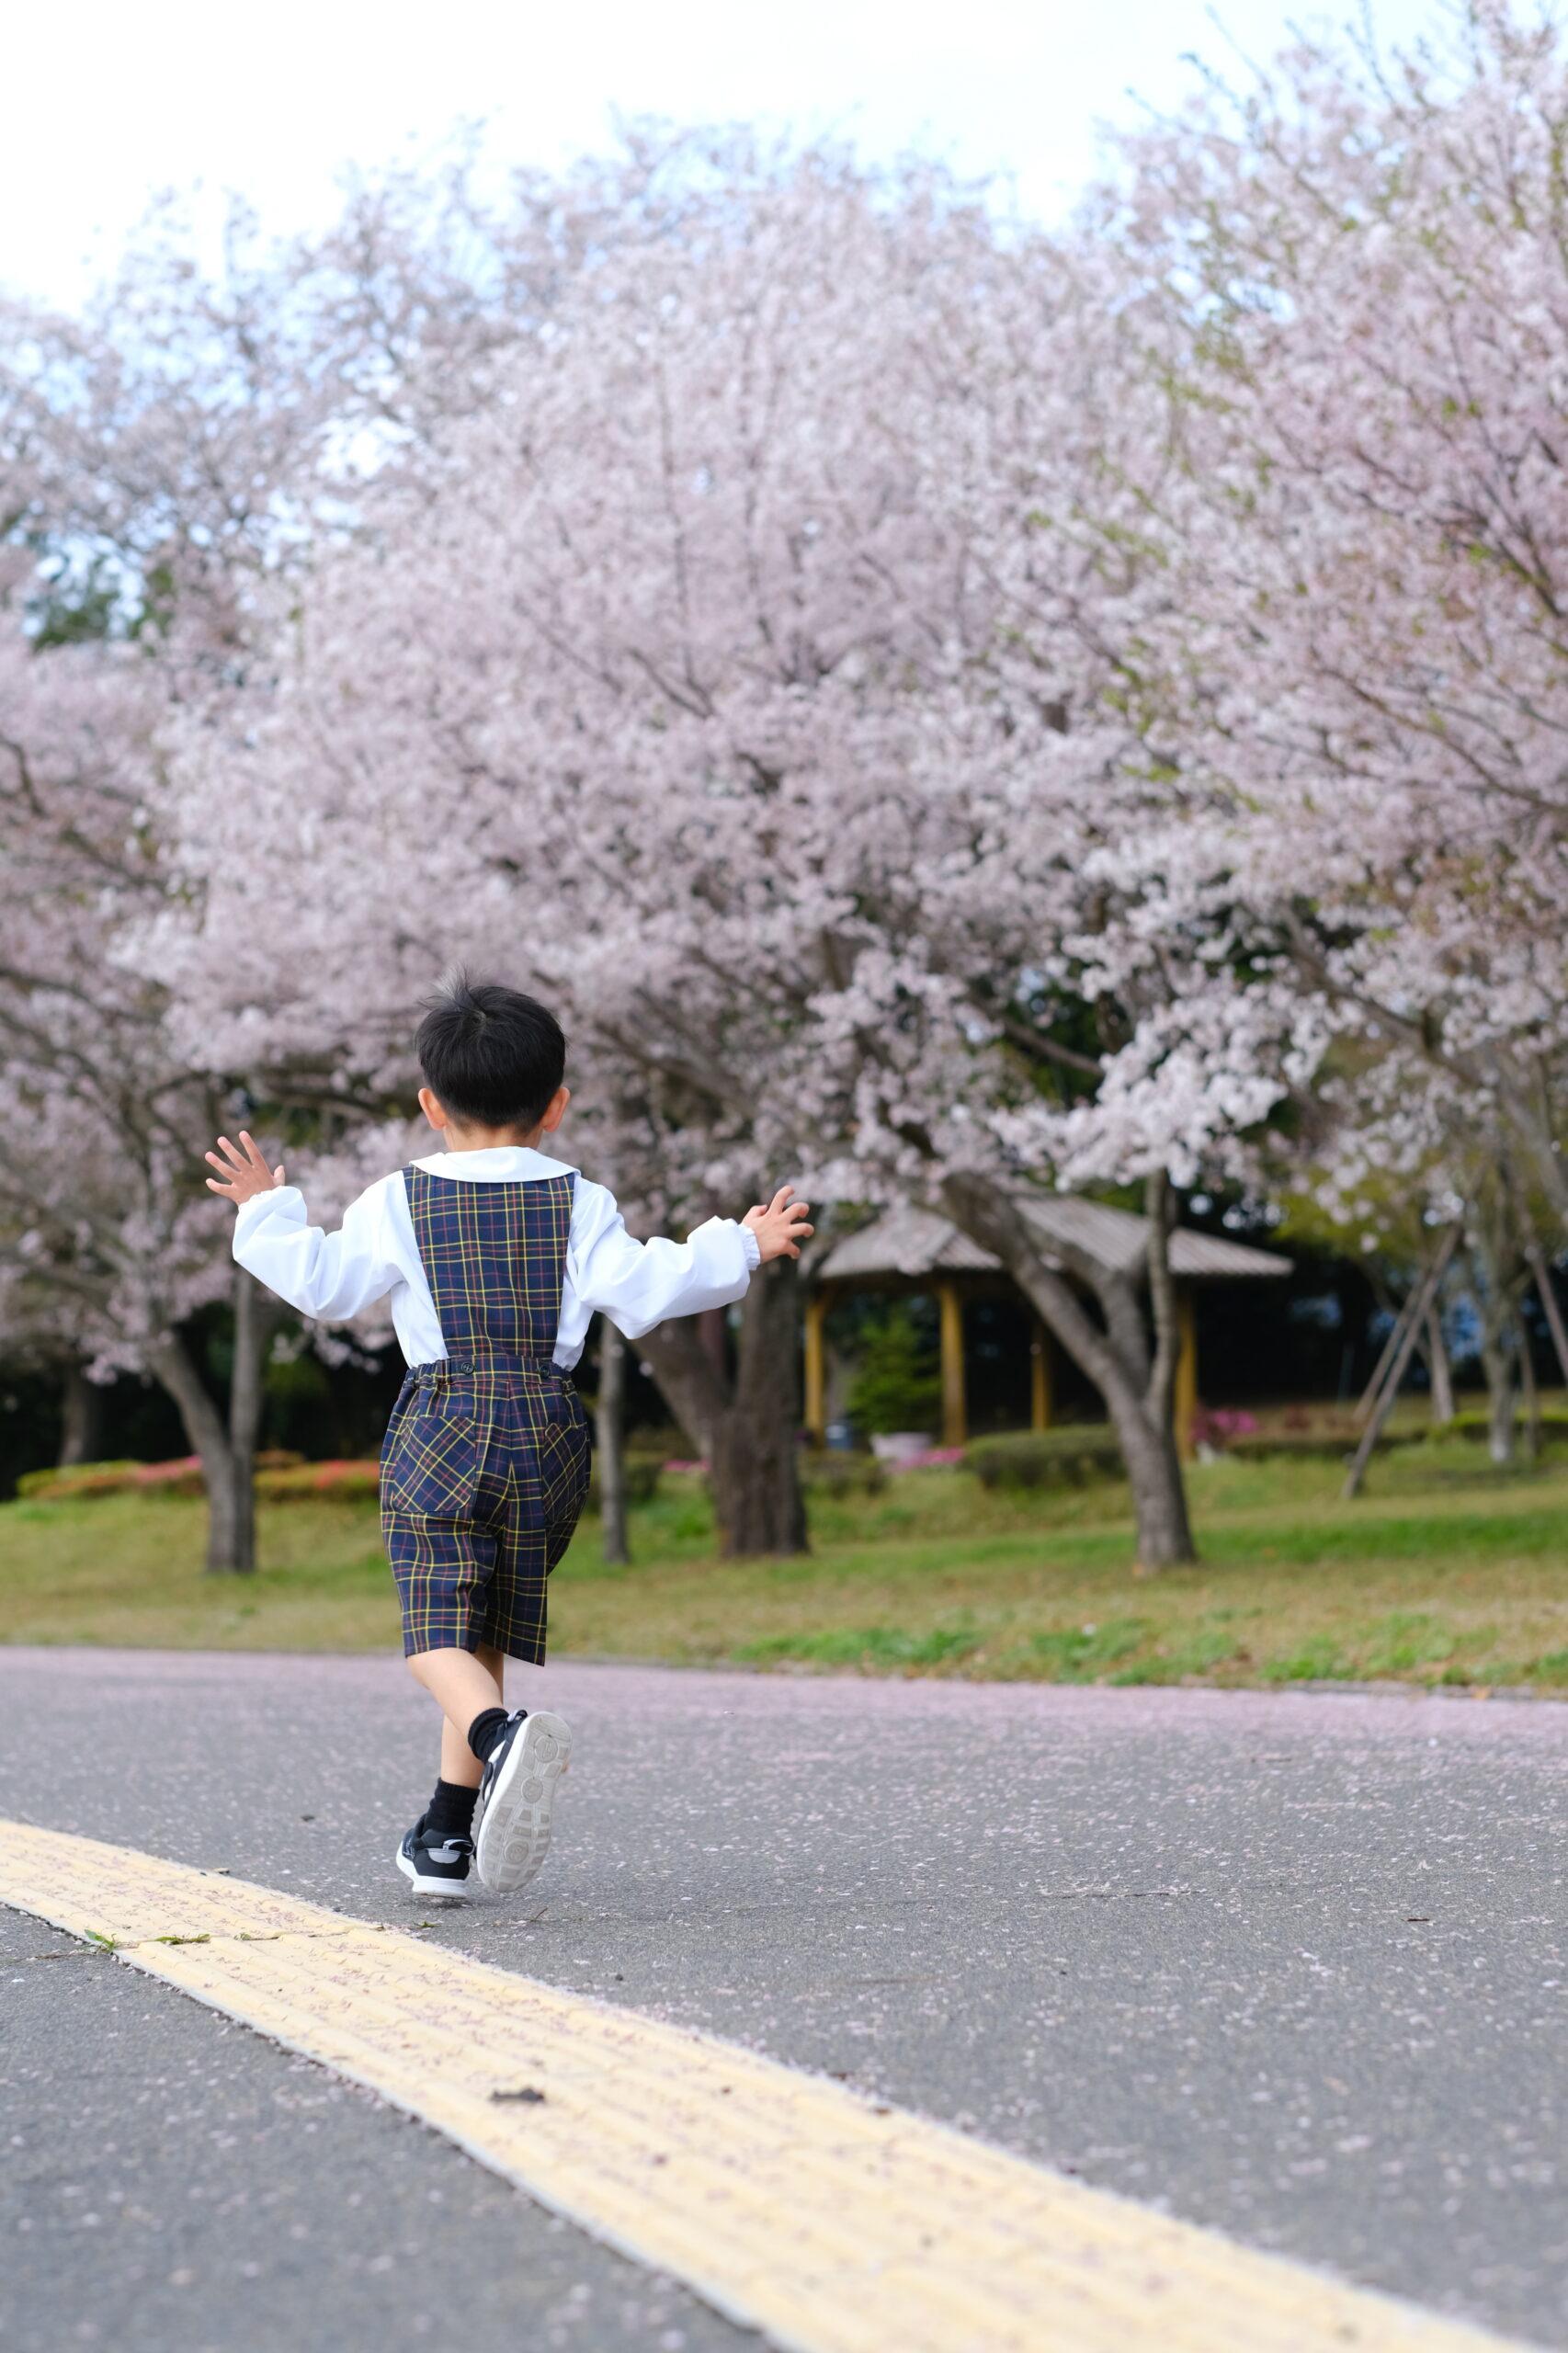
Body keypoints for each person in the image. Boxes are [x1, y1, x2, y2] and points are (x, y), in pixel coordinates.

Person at [205, 974, 811, 1902]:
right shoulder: (581, 1199)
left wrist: (262, 1207)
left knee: (430, 1637)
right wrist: (744, 1241)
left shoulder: (397, 1198)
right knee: (479, 1627)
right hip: (549, 1429)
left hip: (444, 1420)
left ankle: (499, 1739)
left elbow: (323, 1287)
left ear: (428, 1105)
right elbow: (647, 1289)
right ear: (557, 1105)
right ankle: (445, 1838)